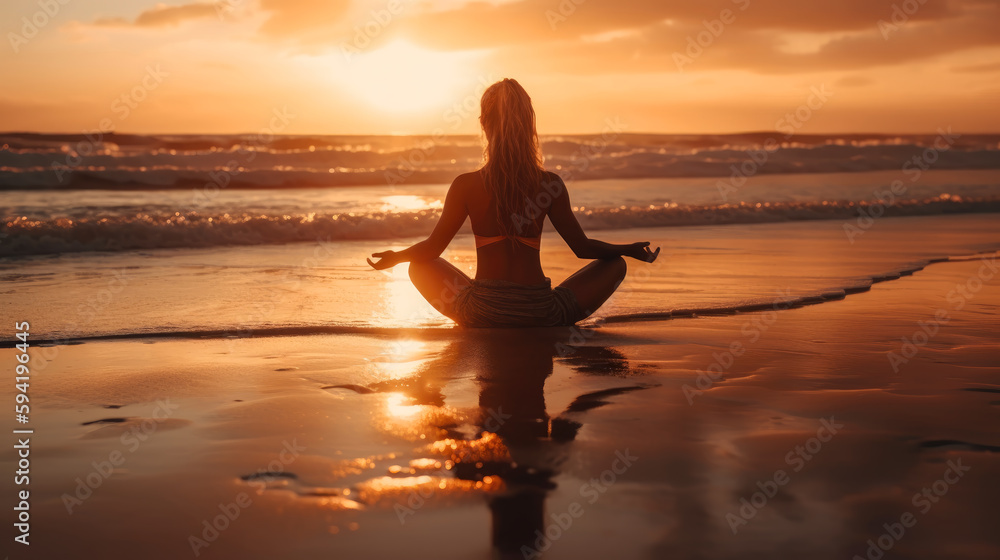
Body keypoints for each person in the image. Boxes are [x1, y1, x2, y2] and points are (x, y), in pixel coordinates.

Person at [367, 78, 660, 327]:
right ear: (529, 124)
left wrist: (396, 256)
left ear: (483, 124)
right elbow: (582, 249)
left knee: (418, 265)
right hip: (541, 313)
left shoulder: (466, 184)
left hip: (482, 313)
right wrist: (628, 250)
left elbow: (432, 249)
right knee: (616, 265)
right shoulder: (550, 184)